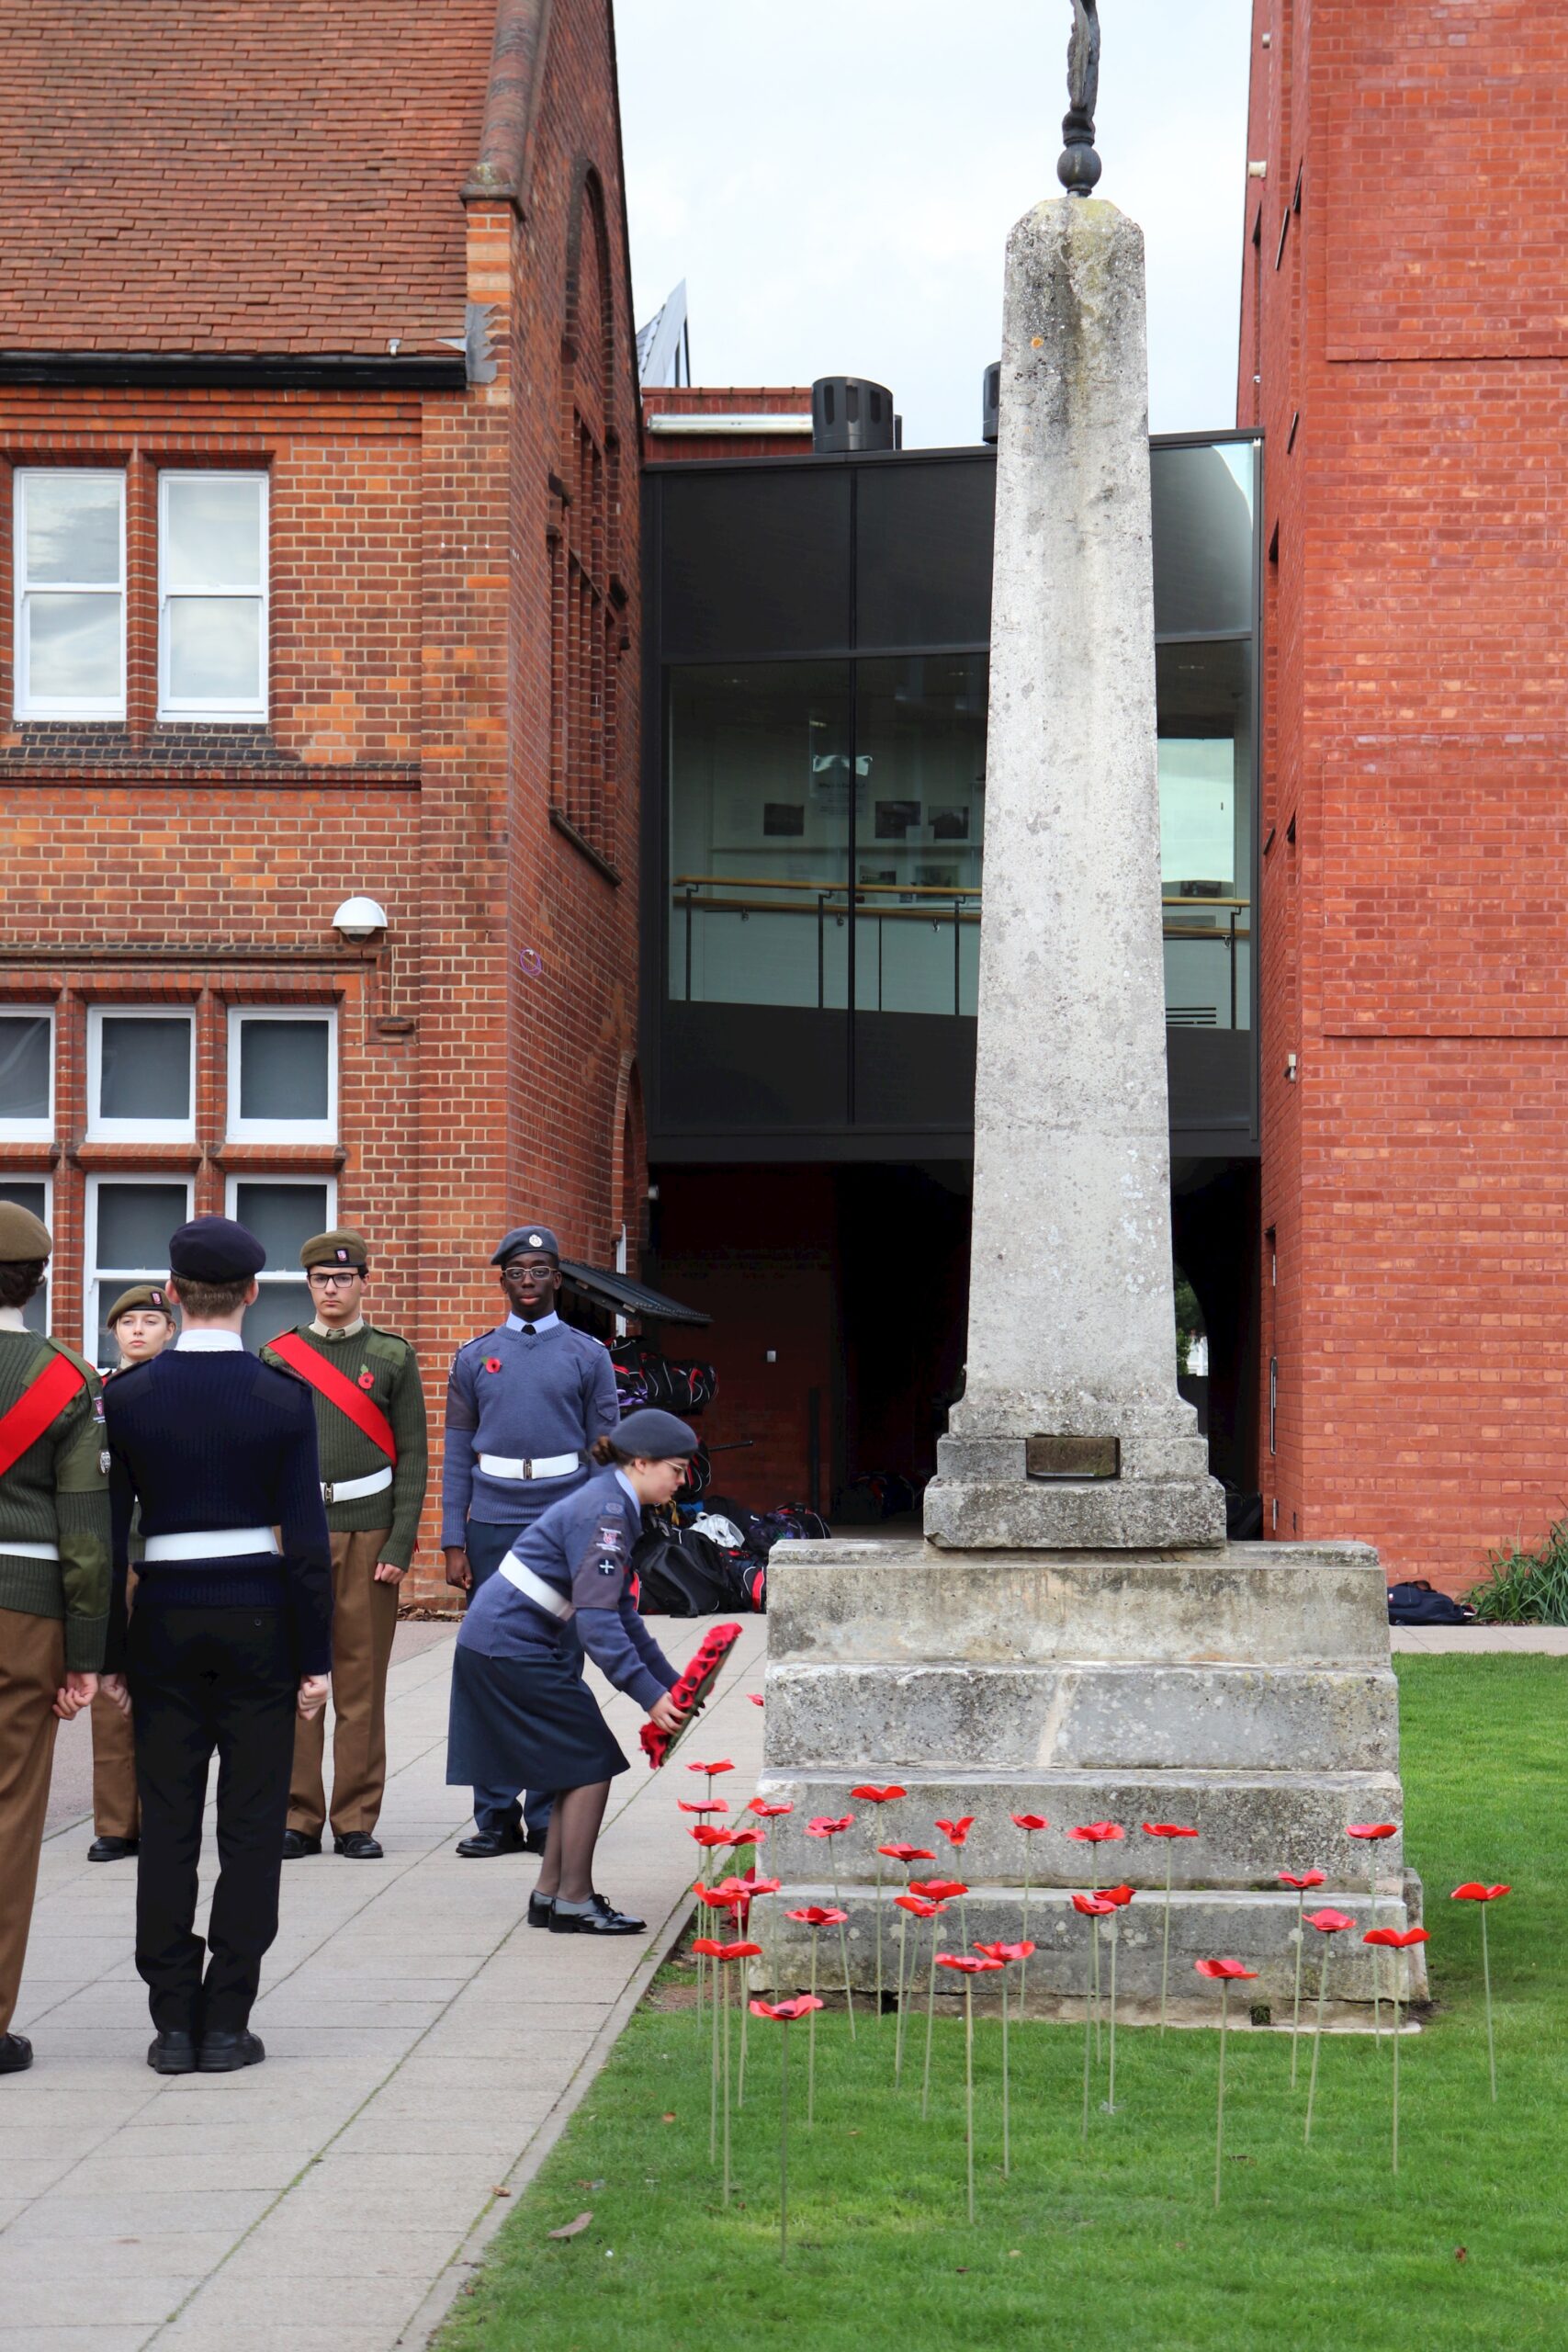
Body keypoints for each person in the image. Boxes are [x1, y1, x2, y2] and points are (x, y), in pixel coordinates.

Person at [102, 1216, 332, 2075]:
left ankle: (171, 2019)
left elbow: (104, 1534)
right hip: (261, 1616)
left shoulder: (125, 1397)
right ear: (250, 1294)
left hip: (163, 1615)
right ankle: (227, 2017)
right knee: (249, 1823)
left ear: (169, 1296)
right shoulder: (283, 1396)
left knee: (165, 1823)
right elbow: (307, 1545)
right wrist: (317, 1657)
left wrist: (111, 1651)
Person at [446, 1408, 694, 1933]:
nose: (682, 1480)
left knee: (577, 1761)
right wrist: (651, 1697)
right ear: (642, 1463)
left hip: (505, 1643)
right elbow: (600, 1626)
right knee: (589, 1761)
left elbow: (623, 1611)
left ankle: (551, 1896)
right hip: (509, 1647)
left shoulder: (614, 1501)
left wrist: (674, 1684)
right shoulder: (607, 1511)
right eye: (676, 1468)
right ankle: (574, 1900)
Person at [442, 1223, 619, 1859]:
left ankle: (546, 1814)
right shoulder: (473, 1356)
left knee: (557, 1664)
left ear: (558, 1281)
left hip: (563, 1516)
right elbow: (458, 1449)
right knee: (489, 1662)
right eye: (516, 1270)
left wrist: (605, 1535)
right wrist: (451, 1538)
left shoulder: (586, 1354)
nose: (527, 1280)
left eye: (539, 1270)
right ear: (502, 1280)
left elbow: (606, 1453)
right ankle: (495, 1815)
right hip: (492, 1518)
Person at [262, 1229, 428, 1861]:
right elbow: (260, 1457)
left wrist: (402, 1541)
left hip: (369, 1533)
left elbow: (412, 1455)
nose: (331, 1289)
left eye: (343, 1278)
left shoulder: (390, 1356)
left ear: (363, 1281)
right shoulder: (276, 1356)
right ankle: (297, 1816)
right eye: (320, 1280)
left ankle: (354, 1817)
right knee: (297, 1675)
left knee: (361, 1680)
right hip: (296, 1530)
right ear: (307, 1285)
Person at [0, 1202, 110, 2077]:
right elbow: (84, 1534)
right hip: (25, 1610)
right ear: (38, 1281)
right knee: (9, 1814)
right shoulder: (65, 1376)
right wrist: (84, 1652)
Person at [86, 1283, 177, 1864]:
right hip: (111, 1551)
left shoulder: (181, 1393)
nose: (138, 1330)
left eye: (151, 1320)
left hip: (167, 1551)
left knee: (167, 1691)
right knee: (108, 1691)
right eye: (128, 1322)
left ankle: (166, 1815)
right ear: (113, 1333)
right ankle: (116, 1822)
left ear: (171, 1330)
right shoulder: (95, 1397)